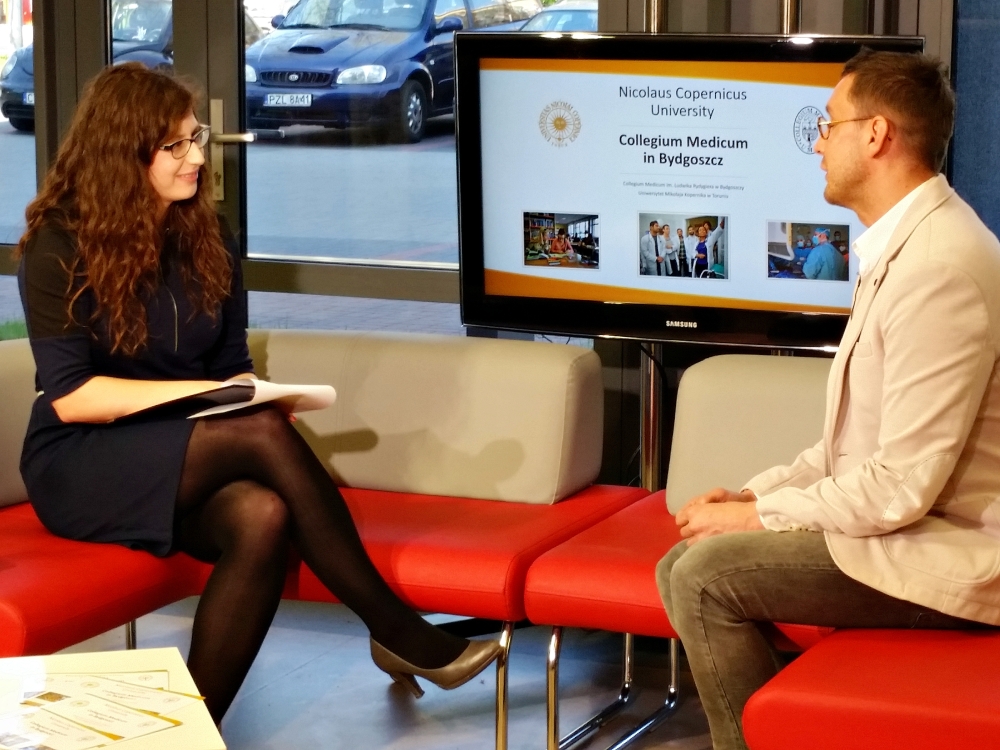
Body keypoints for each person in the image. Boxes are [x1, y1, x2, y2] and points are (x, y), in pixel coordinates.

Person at [15, 63, 500, 727]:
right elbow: (72, 396)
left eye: (196, 138)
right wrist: (221, 402)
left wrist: (251, 395)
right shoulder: (58, 244)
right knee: (261, 432)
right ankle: (397, 630)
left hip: (180, 452)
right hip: (82, 460)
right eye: (175, 145)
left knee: (263, 515)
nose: (197, 157)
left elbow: (231, 367)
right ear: (123, 153)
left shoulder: (207, 236)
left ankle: (188, 730)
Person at [656, 48, 1000, 750]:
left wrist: (755, 518)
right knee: (683, 561)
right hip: (909, 527)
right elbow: (850, 446)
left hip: (956, 550)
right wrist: (754, 497)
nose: (816, 143)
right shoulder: (906, 247)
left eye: (827, 123)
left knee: (704, 579)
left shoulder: (937, 268)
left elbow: (897, 487)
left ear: (876, 135)